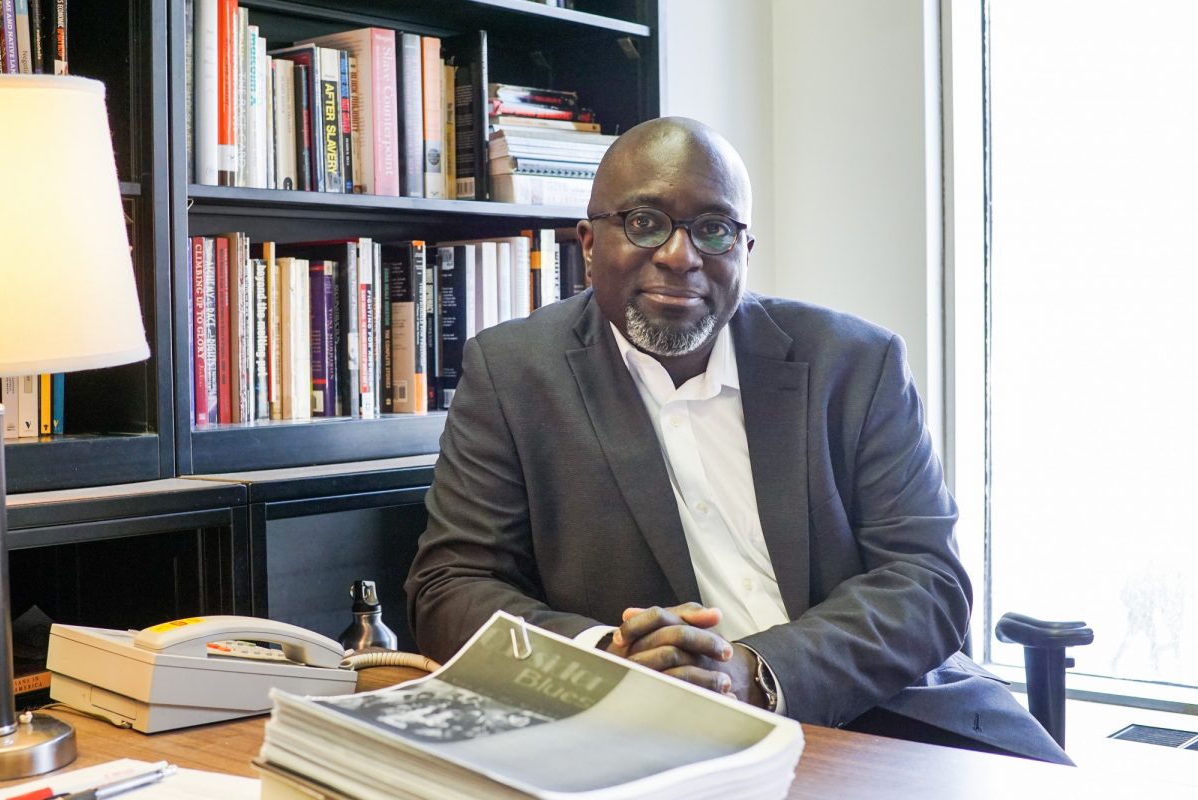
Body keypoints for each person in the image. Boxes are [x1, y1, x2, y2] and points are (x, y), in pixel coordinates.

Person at [405, 117, 1069, 765]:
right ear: (588, 243)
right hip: (650, 744)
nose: (679, 255)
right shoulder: (513, 373)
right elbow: (451, 586)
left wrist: (758, 674)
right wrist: (607, 657)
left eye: (713, 228)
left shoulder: (855, 364)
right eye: (644, 222)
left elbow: (928, 580)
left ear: (744, 249)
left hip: (894, 719)